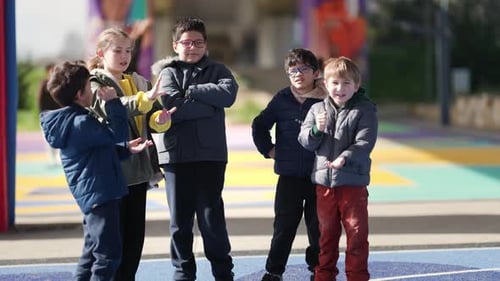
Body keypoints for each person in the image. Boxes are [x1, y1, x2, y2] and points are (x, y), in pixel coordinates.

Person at [152, 17, 237, 281]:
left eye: (198, 42)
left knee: (212, 220)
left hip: (211, 157)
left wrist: (192, 90)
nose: (193, 47)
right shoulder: (167, 73)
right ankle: (183, 273)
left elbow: (228, 96)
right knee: (180, 222)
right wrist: (209, 105)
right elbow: (173, 109)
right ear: (175, 45)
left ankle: (223, 273)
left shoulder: (219, 69)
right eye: (187, 42)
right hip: (176, 158)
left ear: (206, 45)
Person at [87, 27, 175, 281]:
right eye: (118, 50)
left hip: (139, 171)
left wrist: (161, 118)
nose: (124, 56)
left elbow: (154, 115)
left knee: (135, 238)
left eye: (128, 50)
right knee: (112, 242)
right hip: (112, 173)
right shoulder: (95, 83)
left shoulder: (138, 81)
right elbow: (113, 108)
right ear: (101, 53)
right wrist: (144, 99)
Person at [39, 61, 129, 280]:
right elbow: (117, 134)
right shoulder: (80, 122)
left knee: (91, 253)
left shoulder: (71, 120)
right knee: (109, 255)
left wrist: (125, 151)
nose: (93, 92)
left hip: (95, 192)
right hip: (100, 194)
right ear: (80, 94)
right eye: (89, 88)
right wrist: (113, 103)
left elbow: (97, 149)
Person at [298, 56, 377, 281]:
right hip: (324, 185)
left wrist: (345, 157)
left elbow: (365, 143)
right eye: (334, 83)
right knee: (326, 237)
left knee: (357, 234)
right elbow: (305, 140)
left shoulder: (365, 110)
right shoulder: (315, 110)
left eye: (346, 83)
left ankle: (357, 276)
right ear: (325, 84)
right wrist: (316, 130)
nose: (339, 88)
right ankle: (324, 276)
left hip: (352, 184)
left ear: (356, 85)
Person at [252, 48, 326, 281]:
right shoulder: (282, 99)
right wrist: (269, 150)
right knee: (283, 227)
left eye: (303, 69)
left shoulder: (328, 99)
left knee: (320, 228)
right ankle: (274, 271)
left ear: (316, 73)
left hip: (320, 176)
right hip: (289, 176)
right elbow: (259, 125)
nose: (298, 74)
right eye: (292, 70)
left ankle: (318, 269)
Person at [37, 63, 61, 166]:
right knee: (48, 138)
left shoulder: (59, 84)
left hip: (58, 115)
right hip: (47, 115)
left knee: (59, 136)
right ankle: (51, 159)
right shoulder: (44, 84)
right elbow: (40, 100)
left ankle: (58, 158)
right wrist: (42, 114)